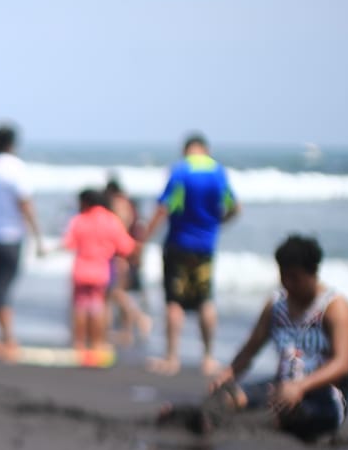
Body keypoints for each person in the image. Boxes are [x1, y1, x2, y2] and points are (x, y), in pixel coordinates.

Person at [186, 235, 348, 442]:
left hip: (323, 395)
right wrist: (228, 373)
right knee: (225, 396)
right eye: (284, 276)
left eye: (295, 277)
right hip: (281, 386)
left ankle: (260, 423)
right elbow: (251, 349)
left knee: (297, 415)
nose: (288, 283)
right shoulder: (277, 306)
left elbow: (342, 364)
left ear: (312, 273)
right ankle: (197, 419)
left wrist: (300, 387)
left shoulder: (334, 308)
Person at [139, 133, 240, 376]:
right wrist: (217, 225)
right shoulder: (218, 172)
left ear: (186, 150)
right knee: (205, 300)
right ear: (206, 149)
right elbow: (234, 207)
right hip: (206, 246)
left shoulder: (180, 171)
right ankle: (207, 358)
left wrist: (143, 239)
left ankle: (172, 358)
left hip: (178, 243)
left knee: (175, 302)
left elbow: (163, 207)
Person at [0, 123, 45, 356]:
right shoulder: (14, 167)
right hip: (10, 236)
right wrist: (38, 236)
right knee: (3, 290)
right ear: (13, 143)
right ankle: (8, 339)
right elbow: (25, 203)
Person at [61, 189, 136, 352]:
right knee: (97, 307)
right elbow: (126, 246)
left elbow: (68, 243)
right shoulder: (111, 220)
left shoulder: (79, 220)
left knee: (80, 306)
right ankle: (97, 344)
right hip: (101, 270)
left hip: (81, 269)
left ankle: (79, 344)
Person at [103, 177, 151, 346]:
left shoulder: (119, 204)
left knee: (116, 292)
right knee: (115, 293)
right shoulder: (129, 203)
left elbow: (120, 230)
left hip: (121, 253)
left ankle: (138, 321)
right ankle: (125, 330)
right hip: (128, 252)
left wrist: (120, 254)